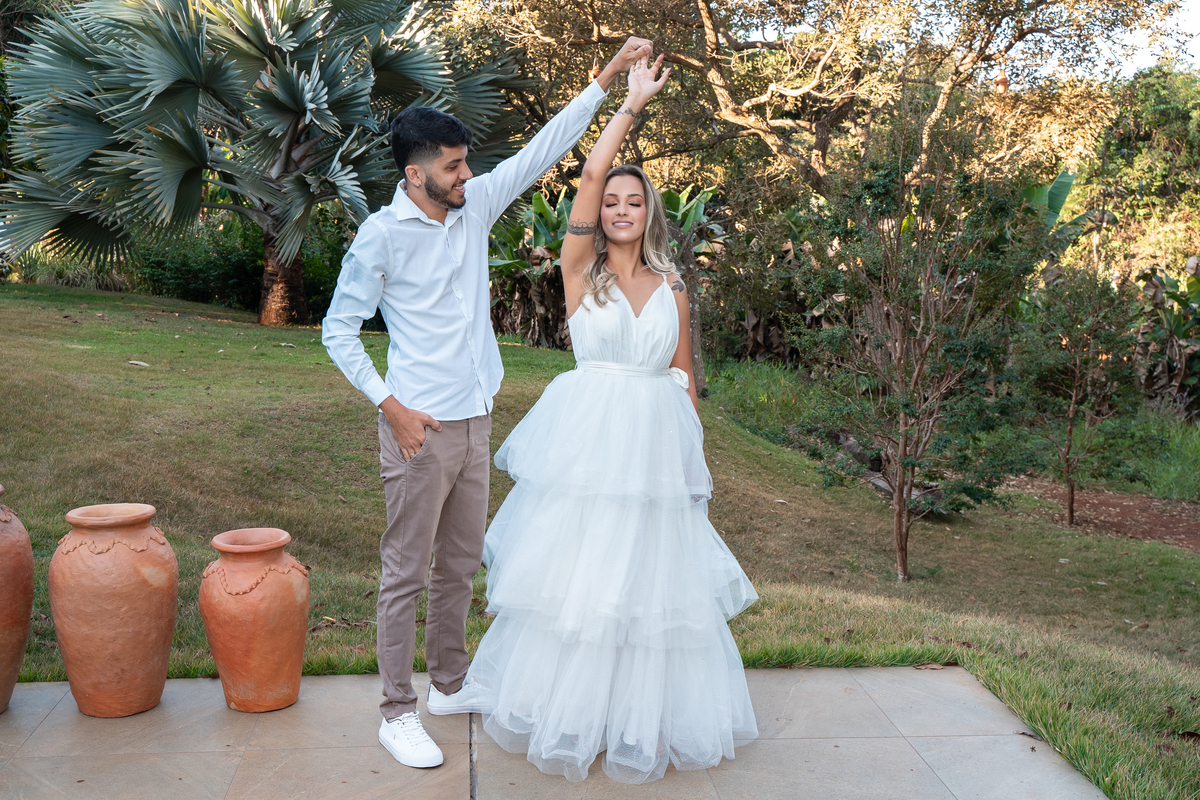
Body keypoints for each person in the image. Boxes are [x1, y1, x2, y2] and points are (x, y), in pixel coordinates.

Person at [321, 37, 656, 771]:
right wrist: (390, 407)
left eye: (467, 162)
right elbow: (337, 330)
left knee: (459, 565)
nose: (467, 174)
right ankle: (396, 710)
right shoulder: (380, 238)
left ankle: (447, 684)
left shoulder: (474, 209)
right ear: (416, 174)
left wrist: (606, 78)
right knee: (405, 570)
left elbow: (544, 147)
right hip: (419, 428)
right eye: (453, 166)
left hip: (475, 419)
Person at [462, 54, 760, 784]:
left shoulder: (674, 288)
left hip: (656, 454)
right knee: (584, 582)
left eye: (635, 202)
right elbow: (588, 180)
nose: (621, 209)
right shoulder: (576, 271)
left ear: (650, 214)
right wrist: (628, 107)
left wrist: (695, 466)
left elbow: (686, 378)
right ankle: (571, 714)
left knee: (648, 586)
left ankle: (640, 718)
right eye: (615, 202)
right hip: (591, 448)